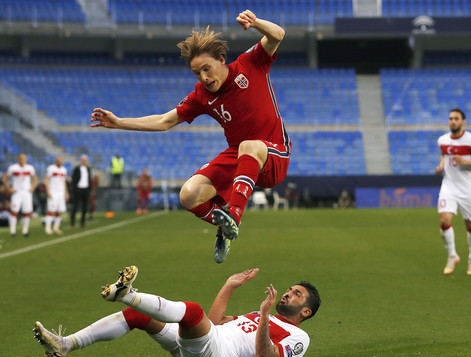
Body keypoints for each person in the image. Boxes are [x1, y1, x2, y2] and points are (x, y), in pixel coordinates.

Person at [91, 10, 289, 264]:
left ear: (221, 59)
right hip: (240, 156)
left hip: (274, 153)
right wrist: (118, 123)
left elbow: (278, 35)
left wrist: (256, 23)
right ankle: (225, 228)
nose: (204, 78)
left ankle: (233, 217)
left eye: (207, 69)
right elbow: (165, 121)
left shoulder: (250, 64)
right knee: (188, 194)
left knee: (249, 145)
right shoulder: (201, 96)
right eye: (197, 73)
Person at [33, 266, 320, 357]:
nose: (287, 294)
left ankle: (126, 293)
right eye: (290, 290)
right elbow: (214, 323)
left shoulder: (299, 338)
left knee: (191, 312)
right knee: (138, 317)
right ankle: (66, 343)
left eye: (296, 295)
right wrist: (229, 286)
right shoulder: (258, 315)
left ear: (305, 311)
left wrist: (266, 315)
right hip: (209, 343)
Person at [436, 108, 471, 275]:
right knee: (444, 220)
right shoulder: (442, 140)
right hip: (449, 186)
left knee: (470, 224)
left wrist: (465, 161)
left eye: (456, 119)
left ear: (463, 122)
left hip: (468, 188)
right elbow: (445, 154)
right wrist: (442, 165)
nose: (453, 121)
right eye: (451, 118)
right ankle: (452, 255)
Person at [2, 153, 37, 237]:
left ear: (26, 159)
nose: (22, 160)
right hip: (17, 192)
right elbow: (4, 178)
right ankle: (12, 231)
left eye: (24, 158)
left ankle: (25, 231)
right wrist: (9, 188)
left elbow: (35, 178)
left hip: (26, 193)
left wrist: (32, 187)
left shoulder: (30, 168)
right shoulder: (13, 168)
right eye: (21, 158)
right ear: (18, 159)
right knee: (14, 211)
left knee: (26, 212)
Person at [44, 156, 69, 235]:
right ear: (56, 161)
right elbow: (46, 179)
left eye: (61, 160)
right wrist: (48, 191)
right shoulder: (51, 168)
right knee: (51, 210)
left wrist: (66, 193)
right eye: (58, 160)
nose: (60, 161)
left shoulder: (64, 170)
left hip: (61, 193)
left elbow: (64, 182)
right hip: (53, 191)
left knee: (59, 210)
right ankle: (48, 227)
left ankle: (56, 227)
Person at [70, 154, 92, 228]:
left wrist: (89, 189)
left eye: (85, 160)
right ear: (81, 160)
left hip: (86, 189)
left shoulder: (88, 169)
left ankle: (82, 222)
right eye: (83, 160)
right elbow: (73, 179)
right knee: (75, 206)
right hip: (78, 189)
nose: (84, 161)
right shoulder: (77, 169)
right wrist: (74, 188)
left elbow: (89, 179)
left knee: (85, 207)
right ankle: (72, 222)